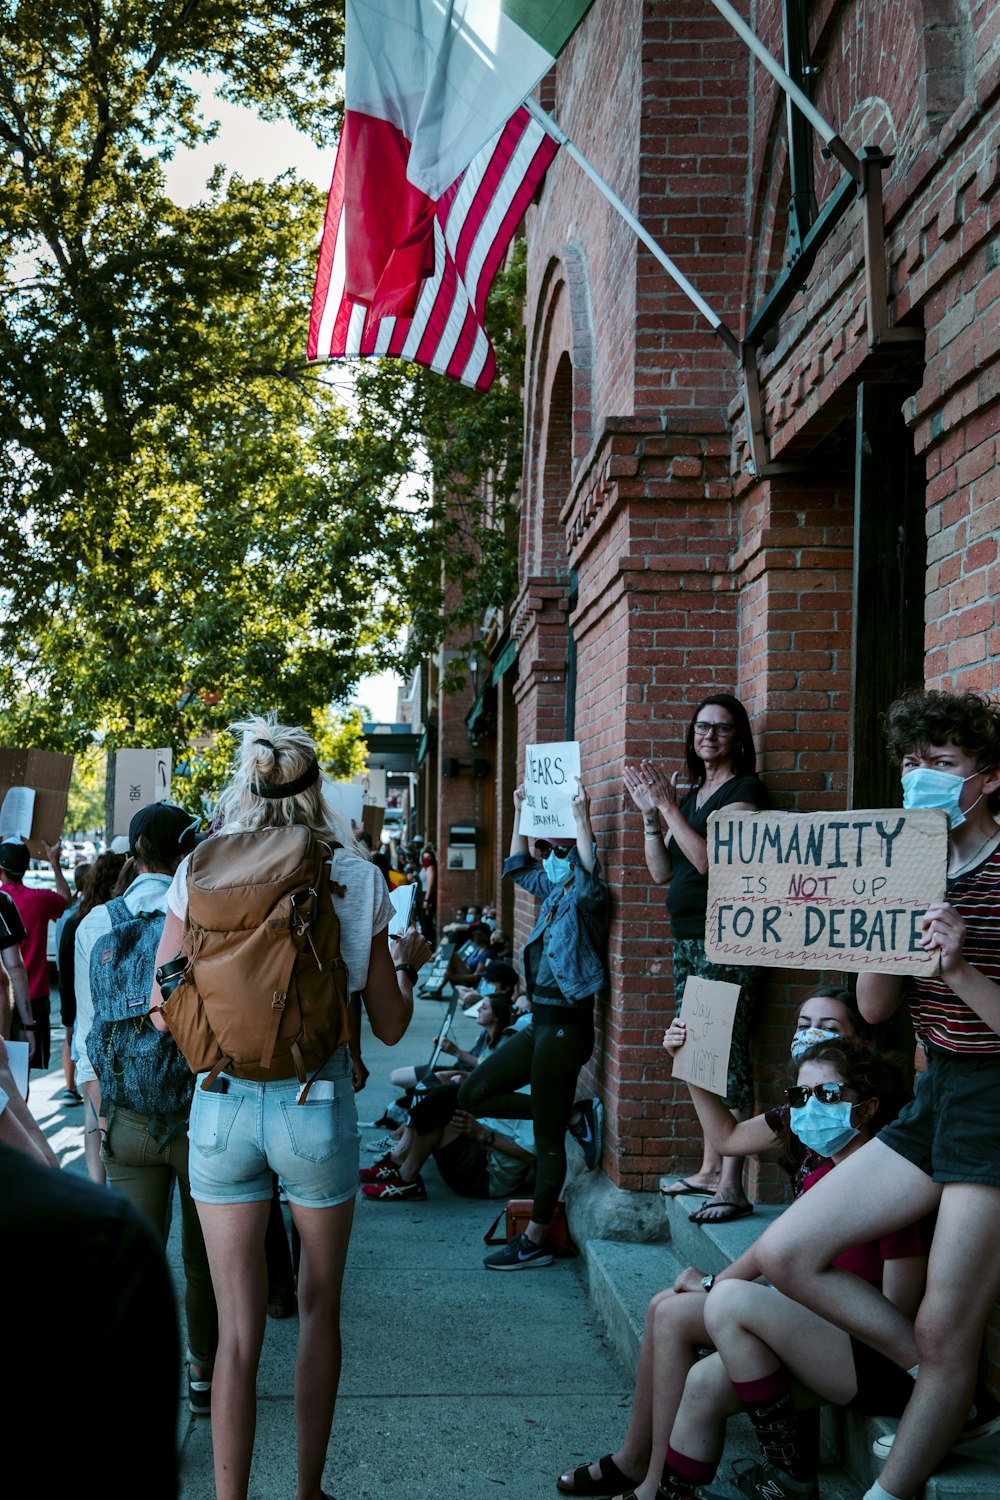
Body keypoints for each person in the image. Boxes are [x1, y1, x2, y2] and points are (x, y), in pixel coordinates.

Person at [148, 717, 431, 1500]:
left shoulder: (199, 866)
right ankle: (307, 1493)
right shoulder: (358, 877)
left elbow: (159, 1002)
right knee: (316, 1308)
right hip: (315, 1105)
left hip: (220, 1106)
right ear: (317, 792)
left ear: (246, 785)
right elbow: (392, 1025)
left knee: (236, 1335)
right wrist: (406, 967)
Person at [754, 688, 1000, 1500]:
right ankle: (951, 1388)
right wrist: (888, 906)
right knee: (789, 1254)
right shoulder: (902, 857)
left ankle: (891, 1486)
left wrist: (959, 966)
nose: (922, 777)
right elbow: (873, 1009)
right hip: (939, 1089)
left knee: (945, 1322)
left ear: (987, 778)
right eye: (912, 763)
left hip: (995, 1103)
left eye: (943, 765)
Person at [556, 988, 875, 1499]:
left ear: (862, 1043)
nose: (811, 1033)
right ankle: (639, 1464)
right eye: (803, 1022)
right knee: (665, 1307)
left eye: (830, 1027)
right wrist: (690, 1063)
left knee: (695, 1309)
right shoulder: (802, 1110)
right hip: (806, 1310)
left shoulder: (868, 1145)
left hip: (838, 1331)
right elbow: (726, 1138)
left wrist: (717, 1282)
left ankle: (654, 1478)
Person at [630, 1038, 927, 1500]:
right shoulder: (821, 1171)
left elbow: (895, 1315)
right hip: (821, 1339)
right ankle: (665, 1492)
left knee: (729, 1300)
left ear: (866, 1109)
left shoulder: (888, 1186)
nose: (809, 1107)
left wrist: (784, 1322)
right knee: (702, 1383)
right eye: (799, 1096)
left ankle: (790, 1479)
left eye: (828, 1095)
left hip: (877, 1364)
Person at [78, 802, 218, 1416]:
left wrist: (102, 1120)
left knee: (137, 1260)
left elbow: (89, 1038)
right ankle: (203, 1377)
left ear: (136, 852)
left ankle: (139, 1390)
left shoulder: (95, 924)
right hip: (199, 1114)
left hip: (127, 1119)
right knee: (203, 1259)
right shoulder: (205, 913)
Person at [624, 693, 768, 1224]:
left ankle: (732, 1183)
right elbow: (663, 871)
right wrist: (649, 817)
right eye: (701, 727)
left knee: (723, 1053)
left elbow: (711, 862)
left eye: (722, 729)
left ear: (738, 738)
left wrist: (665, 806)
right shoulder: (690, 797)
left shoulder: (743, 792)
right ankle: (710, 1167)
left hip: (724, 940)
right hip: (688, 937)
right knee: (696, 1050)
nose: (708, 736)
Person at [458, 775, 609, 1269]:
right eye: (548, 849)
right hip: (540, 1022)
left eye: (557, 850)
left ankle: (538, 1238)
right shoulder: (553, 893)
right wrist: (523, 814)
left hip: (567, 1027)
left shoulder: (588, 900)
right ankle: (569, 1114)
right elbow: (517, 866)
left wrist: (582, 819)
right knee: (472, 1093)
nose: (549, 856)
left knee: (545, 1143)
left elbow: (586, 876)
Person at [363, 979, 531, 1201]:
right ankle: (402, 1168)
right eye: (511, 1040)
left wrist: (481, 1133)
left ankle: (403, 1171)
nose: (511, 1047)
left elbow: (532, 1155)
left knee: (444, 1101)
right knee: (441, 1094)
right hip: (480, 1145)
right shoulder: (514, 1072)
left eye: (518, 1043)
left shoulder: (536, 1091)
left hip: (488, 1176)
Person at [71, 849, 128, 1184]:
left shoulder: (79, 922)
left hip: (87, 1037)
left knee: (93, 1124)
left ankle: (96, 1186)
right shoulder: (113, 922)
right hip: (115, 1043)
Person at [1, 836, 70, 1073]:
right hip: (34, 1000)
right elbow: (66, 898)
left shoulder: (2, 901)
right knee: (22, 1074)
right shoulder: (41, 900)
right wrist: (54, 862)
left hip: (3, 997)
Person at [54, 863, 89, 1105]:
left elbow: (61, 961)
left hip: (69, 986)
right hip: (82, 986)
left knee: (70, 1035)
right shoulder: (82, 916)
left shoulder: (65, 917)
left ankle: (69, 1086)